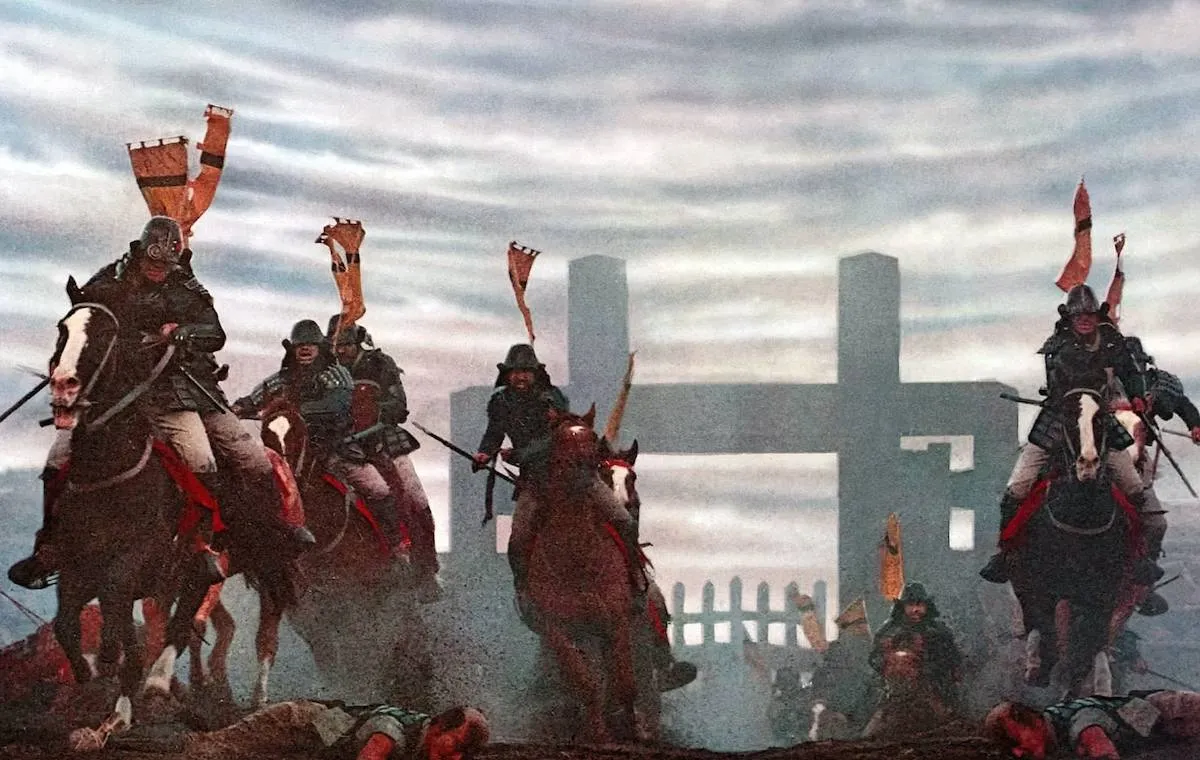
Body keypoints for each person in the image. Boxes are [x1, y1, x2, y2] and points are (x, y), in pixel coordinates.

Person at [8, 216, 312, 590]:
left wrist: (182, 332)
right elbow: (85, 316)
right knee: (57, 459)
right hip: (118, 392)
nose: (157, 270)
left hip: (179, 390)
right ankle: (50, 545)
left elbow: (215, 333)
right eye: (152, 262)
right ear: (141, 252)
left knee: (228, 456)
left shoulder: (186, 285)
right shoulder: (111, 279)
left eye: (165, 264)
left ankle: (244, 536)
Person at [234, 320, 442, 601]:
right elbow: (255, 398)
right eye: (299, 346)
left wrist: (295, 409)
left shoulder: (337, 374)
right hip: (297, 451)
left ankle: (399, 549)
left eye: (310, 345)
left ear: (320, 347)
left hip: (337, 449)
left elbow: (339, 403)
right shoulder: (282, 378)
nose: (304, 350)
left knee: (379, 489)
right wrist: (239, 407)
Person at [981, 284, 1149, 586]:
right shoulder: (1058, 344)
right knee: (1018, 486)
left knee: (1135, 488)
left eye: (1089, 314)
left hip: (1100, 419)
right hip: (1058, 419)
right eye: (1078, 315)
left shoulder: (1113, 342)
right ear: (1069, 317)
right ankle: (1005, 553)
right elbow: (1064, 378)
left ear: (1097, 316)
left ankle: (1139, 556)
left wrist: (1137, 394)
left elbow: (1131, 372)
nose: (1084, 319)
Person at [471, 343, 641, 611]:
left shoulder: (552, 398)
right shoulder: (500, 402)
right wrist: (485, 452)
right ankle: (525, 595)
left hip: (577, 479)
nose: (521, 377)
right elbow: (494, 433)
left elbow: (556, 438)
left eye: (526, 371)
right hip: (536, 483)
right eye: (516, 372)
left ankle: (635, 581)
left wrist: (520, 454)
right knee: (518, 540)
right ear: (507, 375)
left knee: (624, 520)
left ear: (535, 374)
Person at [325, 315, 441, 601]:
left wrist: (374, 412)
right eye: (336, 345)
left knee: (416, 500)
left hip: (382, 441)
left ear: (357, 342)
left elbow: (398, 404)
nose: (341, 350)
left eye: (346, 344)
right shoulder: (324, 369)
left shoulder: (380, 364)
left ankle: (425, 571)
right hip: (338, 445)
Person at [1113, 336, 1200, 615]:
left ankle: (1144, 578)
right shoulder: (1095, 379)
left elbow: (1183, 405)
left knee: (1156, 524)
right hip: (1090, 451)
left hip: (1135, 457)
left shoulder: (1158, 383)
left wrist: (1195, 425)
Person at [182, 699, 489, 760]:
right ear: (439, 726)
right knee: (207, 750)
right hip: (292, 726)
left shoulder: (422, 734)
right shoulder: (391, 733)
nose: (456, 758)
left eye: (463, 753)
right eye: (455, 745)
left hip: (309, 745)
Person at [862, 582, 963, 739]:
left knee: (949, 724)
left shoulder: (938, 632)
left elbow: (951, 659)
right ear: (903, 606)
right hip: (893, 690)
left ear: (926, 606)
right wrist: (888, 662)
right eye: (910, 605)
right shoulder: (888, 630)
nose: (916, 609)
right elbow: (875, 658)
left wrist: (926, 668)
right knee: (871, 732)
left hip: (930, 687)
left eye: (920, 605)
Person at [984, 690, 1200, 759]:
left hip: (1178, 714)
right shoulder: (1055, 727)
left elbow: (1103, 751)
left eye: (1015, 741)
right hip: (1164, 735)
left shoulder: (1080, 724)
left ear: (1033, 722)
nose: (1018, 753)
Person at [806, 598, 878, 740]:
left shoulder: (875, 652)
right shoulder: (835, 654)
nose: (863, 630)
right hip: (840, 718)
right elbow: (822, 687)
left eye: (863, 624)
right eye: (858, 625)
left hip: (868, 714)